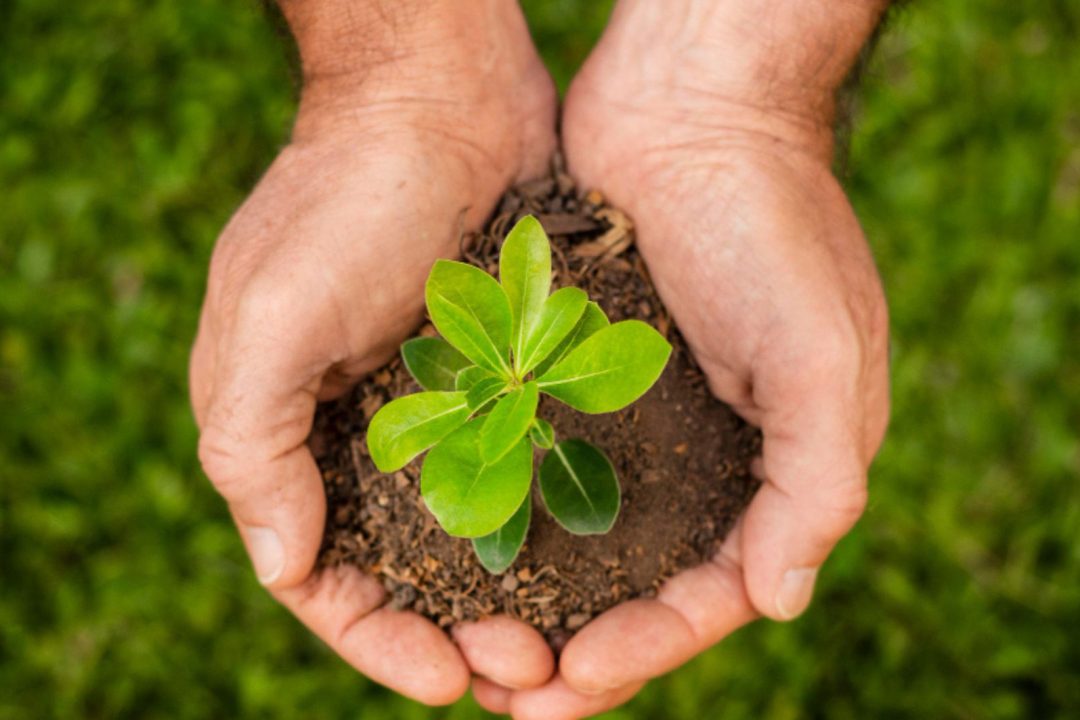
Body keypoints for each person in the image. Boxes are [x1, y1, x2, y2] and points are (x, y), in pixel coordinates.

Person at [188, 1, 892, 717]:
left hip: (529, 385)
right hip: (492, 405)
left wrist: (741, 108)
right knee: (478, 441)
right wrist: (388, 86)